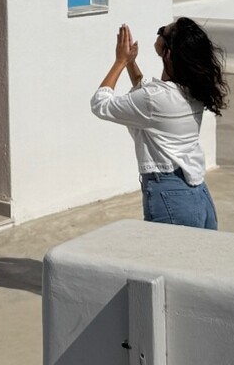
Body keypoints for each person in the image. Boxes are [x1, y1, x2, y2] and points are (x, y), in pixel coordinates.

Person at [91, 17, 226, 228]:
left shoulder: (155, 99)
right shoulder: (193, 90)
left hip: (170, 196)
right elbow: (149, 98)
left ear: (168, 53)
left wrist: (120, 61)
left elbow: (100, 103)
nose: (159, 32)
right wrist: (131, 63)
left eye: (161, 31)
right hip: (198, 194)